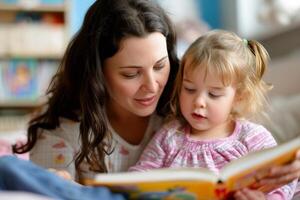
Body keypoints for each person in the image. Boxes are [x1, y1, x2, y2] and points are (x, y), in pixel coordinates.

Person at [0, 0, 299, 199]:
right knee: (11, 170)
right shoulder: (64, 136)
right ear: (98, 74)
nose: (152, 86)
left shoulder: (185, 105)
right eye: (131, 74)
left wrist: (287, 168)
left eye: (160, 67)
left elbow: (265, 153)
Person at [129, 30, 298, 199]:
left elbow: (283, 179)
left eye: (214, 94)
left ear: (238, 97)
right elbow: (141, 177)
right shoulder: (169, 136)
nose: (199, 101)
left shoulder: (253, 137)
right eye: (189, 89)